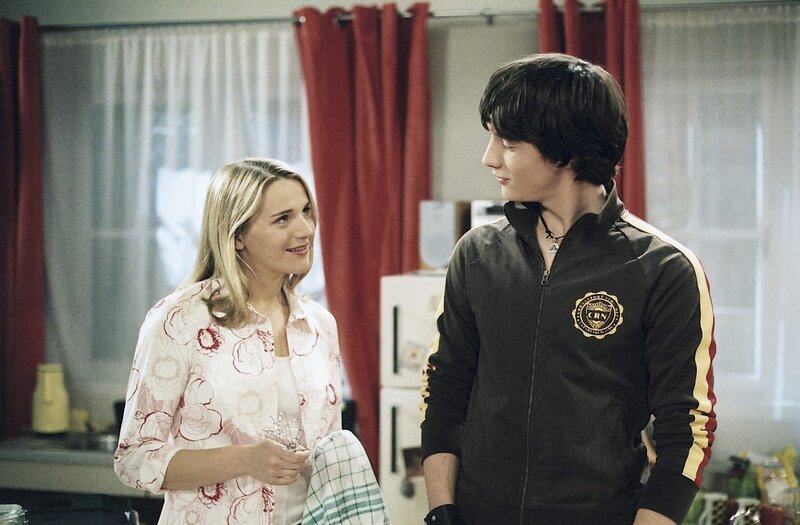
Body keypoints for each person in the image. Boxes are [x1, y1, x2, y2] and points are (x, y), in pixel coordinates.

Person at [420, 53, 717, 525]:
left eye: (508, 143)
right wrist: (441, 510)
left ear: (568, 150)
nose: (489, 158)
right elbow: (445, 390)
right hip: (477, 511)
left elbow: (687, 430)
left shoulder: (663, 268)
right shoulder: (477, 254)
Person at [114, 158, 343, 525]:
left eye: (305, 212)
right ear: (237, 236)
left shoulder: (319, 326)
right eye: (282, 219)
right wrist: (246, 460)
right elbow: (134, 459)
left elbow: (331, 458)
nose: (305, 229)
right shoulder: (179, 321)